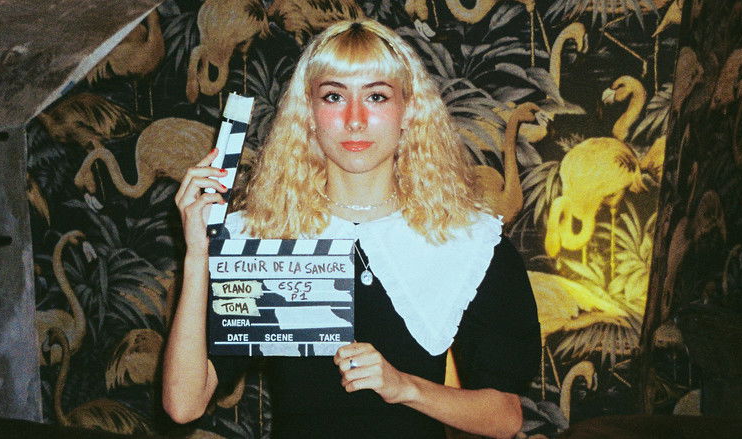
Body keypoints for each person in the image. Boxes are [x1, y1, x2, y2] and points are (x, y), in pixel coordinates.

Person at [162, 19, 540, 439]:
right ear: (309, 114)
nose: (355, 119)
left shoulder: (470, 242)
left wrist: (405, 387)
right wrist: (197, 255)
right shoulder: (262, 236)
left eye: (376, 96)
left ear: (409, 110)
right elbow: (184, 404)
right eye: (334, 96)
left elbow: (504, 418)